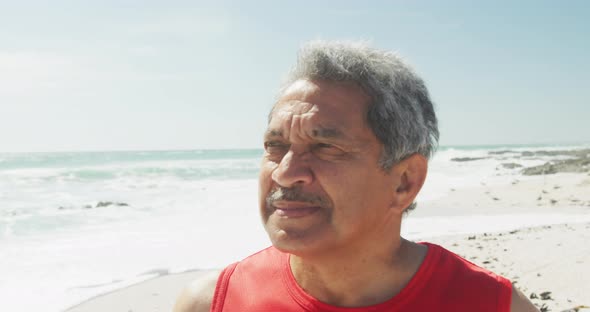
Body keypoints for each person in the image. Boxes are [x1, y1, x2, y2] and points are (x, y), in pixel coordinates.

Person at [174, 40, 539, 312]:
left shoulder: (492, 305)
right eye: (275, 145)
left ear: (404, 182)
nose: (286, 173)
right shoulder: (211, 304)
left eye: (325, 148)